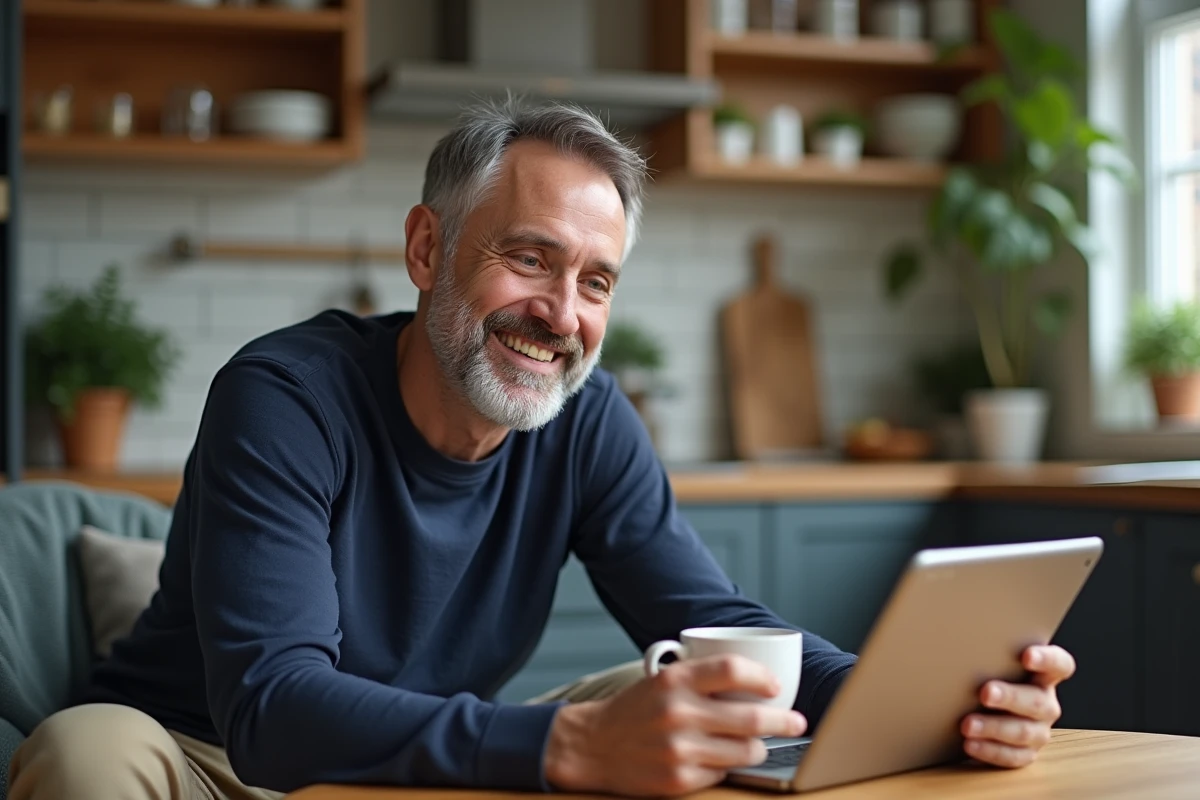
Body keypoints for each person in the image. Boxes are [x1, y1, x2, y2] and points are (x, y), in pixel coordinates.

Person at [7, 99, 1076, 800]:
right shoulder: (286, 395)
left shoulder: (588, 417)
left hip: (425, 764)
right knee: (84, 754)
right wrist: (561, 747)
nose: (561, 313)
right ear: (427, 250)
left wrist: (932, 694)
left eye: (596, 281)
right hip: (219, 760)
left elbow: (721, 627)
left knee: (684, 703)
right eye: (529, 258)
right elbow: (276, 709)